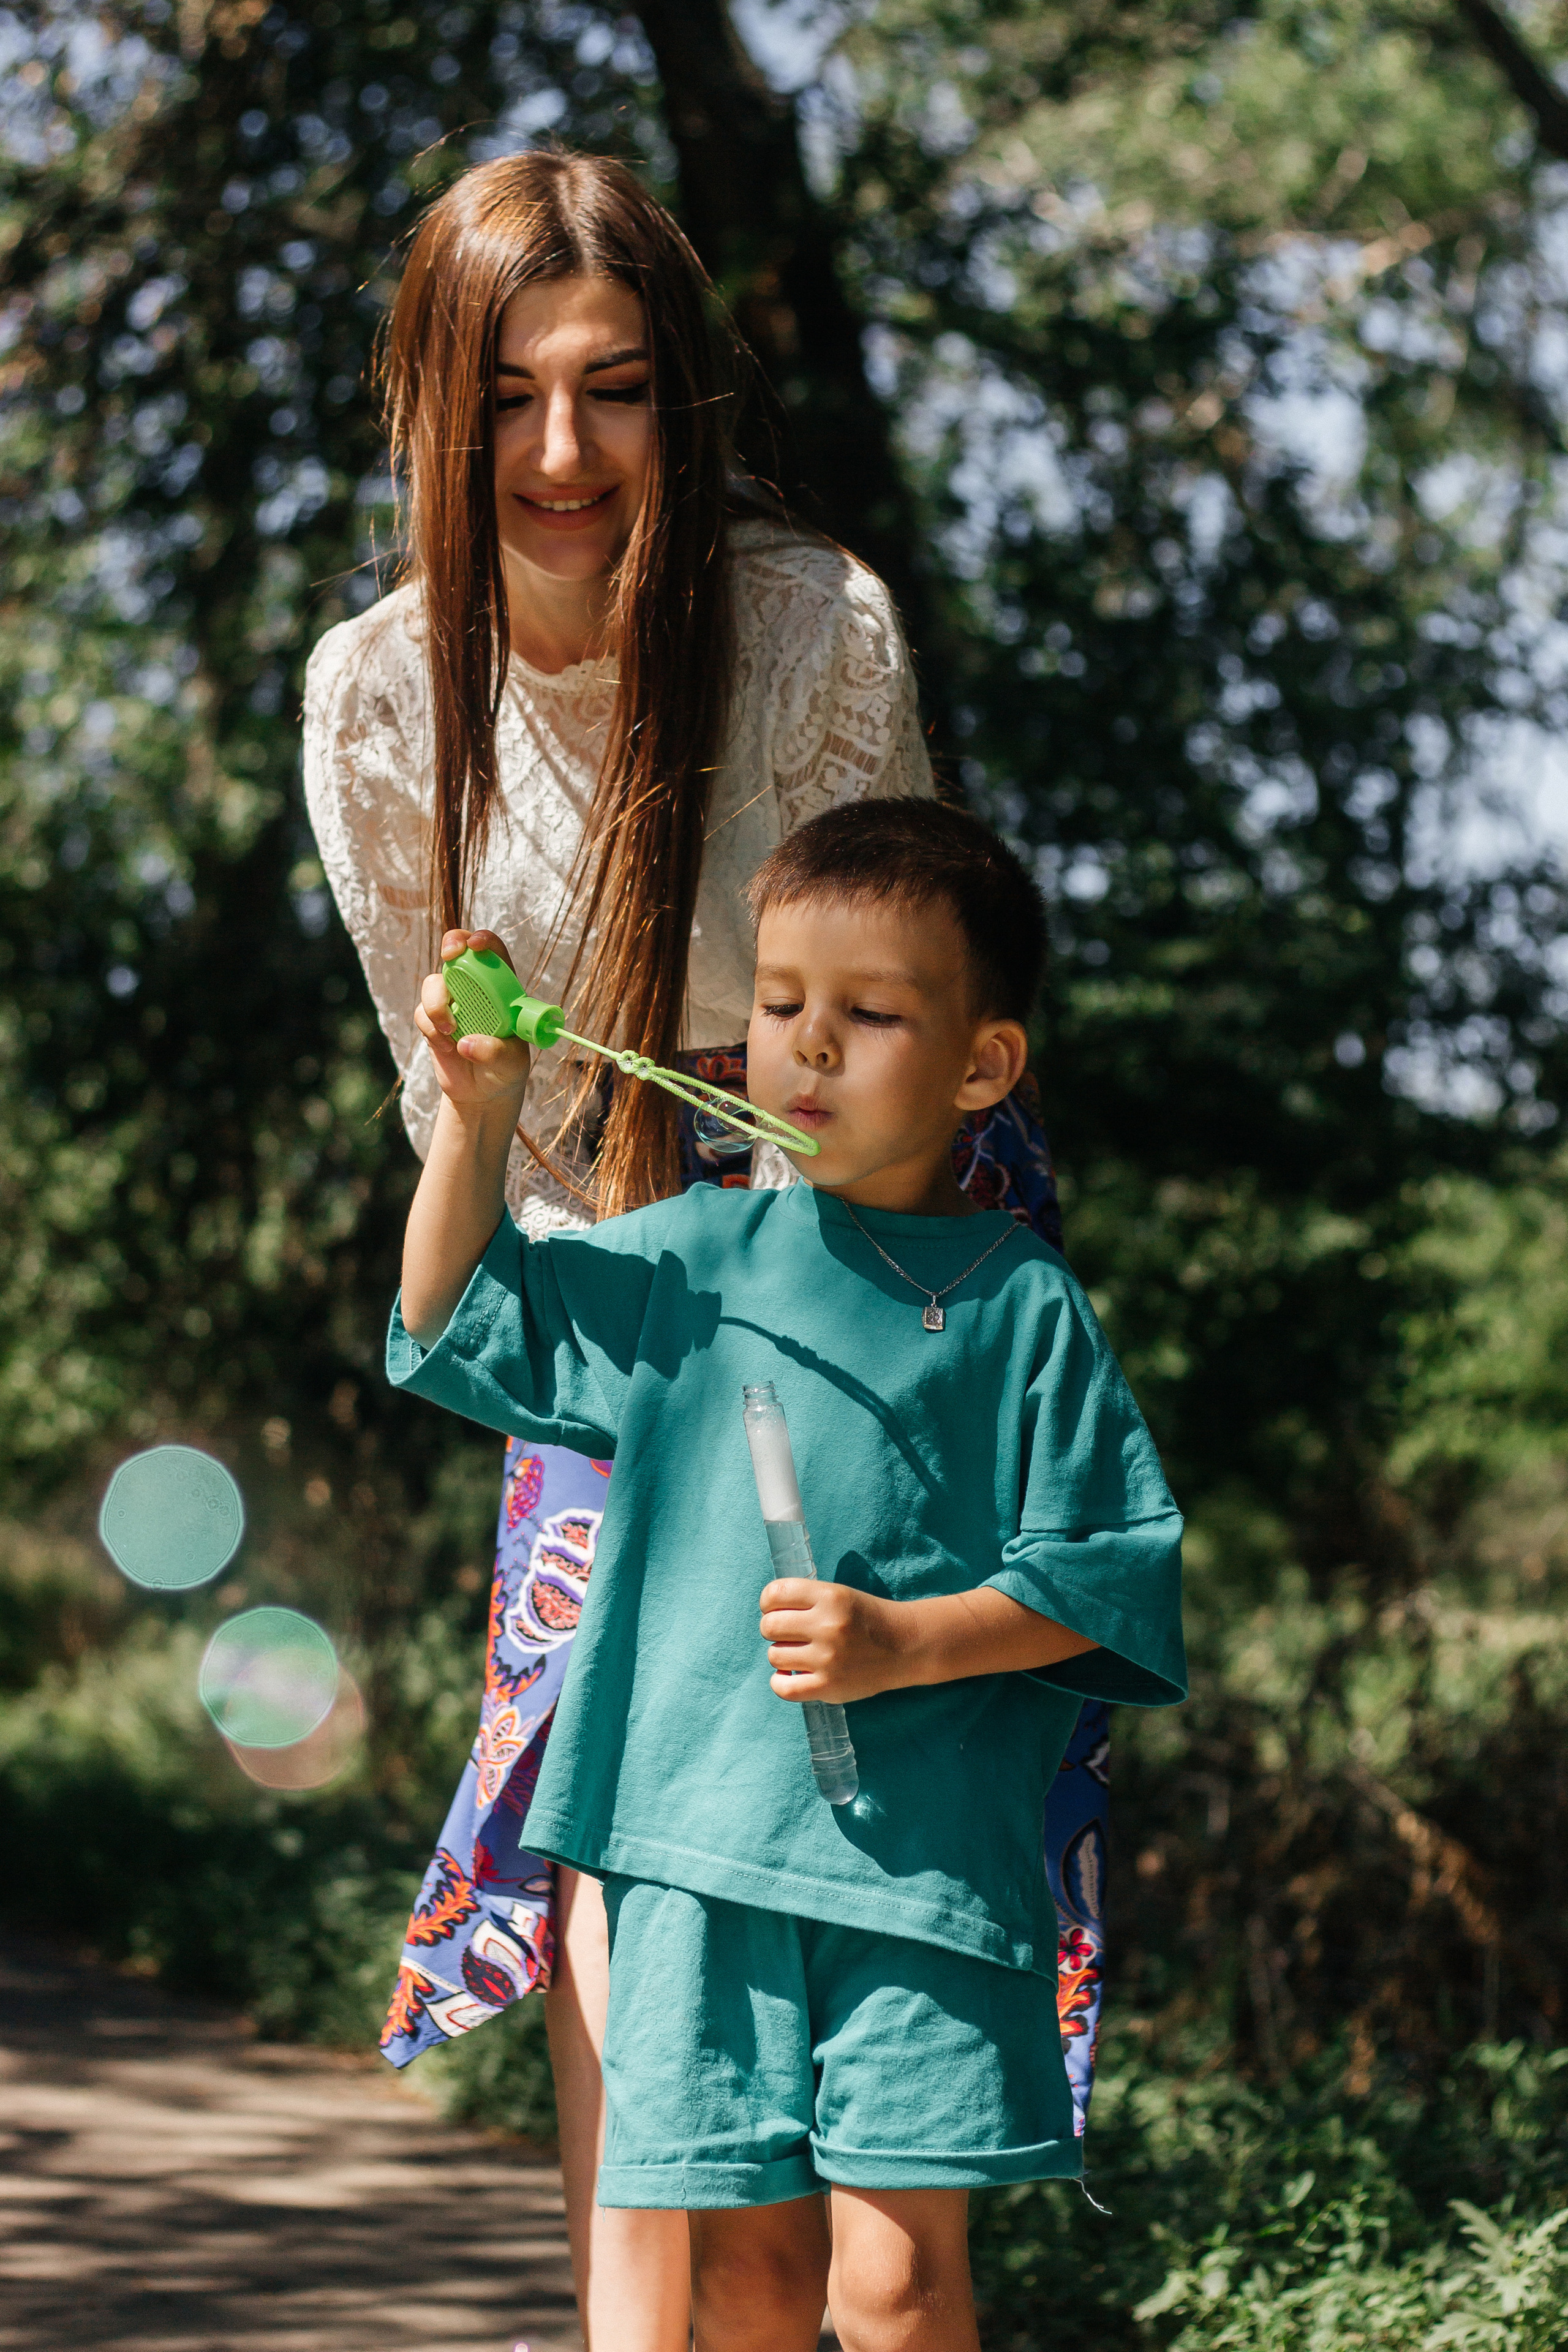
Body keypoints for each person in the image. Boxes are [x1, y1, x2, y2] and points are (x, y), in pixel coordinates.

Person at [303, 145, 1093, 2348]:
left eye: (618, 387)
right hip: (615, 1299)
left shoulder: (819, 625)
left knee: (874, 1886)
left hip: (878, 1277)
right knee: (621, 1854)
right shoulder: (376, 696)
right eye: (507, 398)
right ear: (428, 410)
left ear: (684, 396)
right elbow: (451, 1115)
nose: (563, 453)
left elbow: (901, 1040)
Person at [388, 797, 1186, 2352]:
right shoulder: (686, 1258)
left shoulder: (1021, 1305)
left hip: (923, 1877)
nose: (808, 1045)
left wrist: (905, 1642)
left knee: (893, 2288)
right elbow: (452, 1319)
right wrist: (476, 1117)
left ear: (981, 1067)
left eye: (869, 1015)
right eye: (778, 1004)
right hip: (690, 1853)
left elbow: (1101, 1573)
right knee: (746, 2284)